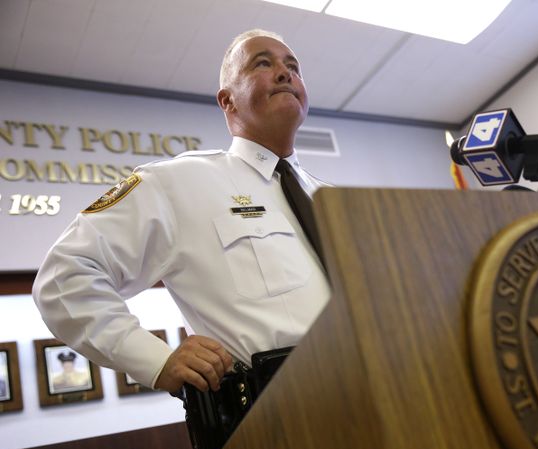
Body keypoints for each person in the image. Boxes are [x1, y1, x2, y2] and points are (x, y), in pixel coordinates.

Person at [32, 29, 331, 394]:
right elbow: (64, 278)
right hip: (282, 410)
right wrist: (154, 360)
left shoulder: (331, 198)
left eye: (293, 67)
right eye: (263, 64)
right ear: (228, 102)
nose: (286, 74)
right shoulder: (176, 183)